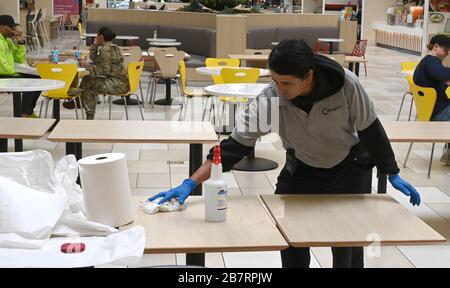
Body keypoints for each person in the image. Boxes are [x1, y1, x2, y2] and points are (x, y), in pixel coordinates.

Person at [150, 39, 421, 268]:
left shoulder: (346, 85)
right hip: (302, 169)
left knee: (347, 243)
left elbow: (370, 129)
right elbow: (234, 148)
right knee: (291, 236)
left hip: (349, 168)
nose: (280, 89)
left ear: (309, 76)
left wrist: (392, 171)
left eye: (287, 83)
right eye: (275, 81)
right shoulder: (270, 98)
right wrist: (190, 182)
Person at [65, 26, 129, 120]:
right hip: (122, 82)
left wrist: (86, 65)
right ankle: (80, 100)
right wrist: (94, 45)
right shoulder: (113, 47)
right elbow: (95, 59)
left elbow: (104, 72)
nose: (96, 38)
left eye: (97, 36)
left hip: (117, 84)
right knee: (87, 79)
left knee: (89, 88)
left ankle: (87, 111)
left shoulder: (105, 50)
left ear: (101, 37)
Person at [413, 34, 450, 165]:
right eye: (446, 50)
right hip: (438, 112)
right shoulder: (432, 61)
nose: (447, 54)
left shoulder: (426, 62)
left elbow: (437, 77)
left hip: (430, 110)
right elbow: (441, 74)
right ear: (435, 47)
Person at [0, 15, 40, 118]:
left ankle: (27, 112)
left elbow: (19, 59)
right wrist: (17, 73)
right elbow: (2, 66)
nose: (14, 31)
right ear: (2, 27)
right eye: (12, 28)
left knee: (37, 78)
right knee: (30, 81)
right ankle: (24, 113)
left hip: (9, 73)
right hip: (3, 75)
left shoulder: (7, 40)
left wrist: (21, 43)